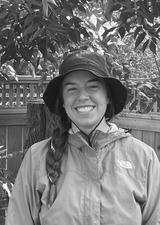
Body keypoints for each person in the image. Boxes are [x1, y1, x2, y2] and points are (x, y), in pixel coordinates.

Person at [5, 51, 160, 225]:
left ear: (108, 96)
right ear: (63, 101)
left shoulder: (143, 157)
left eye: (93, 87)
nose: (82, 96)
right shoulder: (37, 157)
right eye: (72, 89)